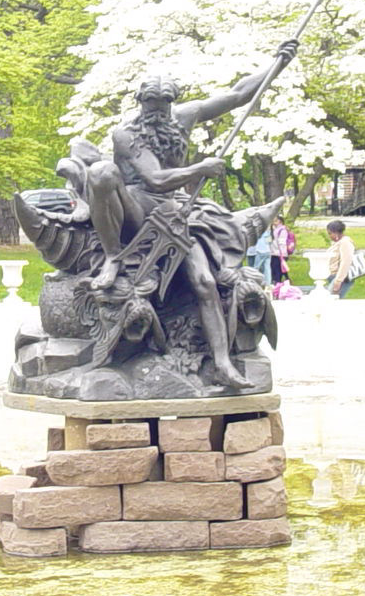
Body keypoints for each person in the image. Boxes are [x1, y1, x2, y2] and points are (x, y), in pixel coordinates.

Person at [81, 40, 298, 388]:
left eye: (165, 103)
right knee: (102, 173)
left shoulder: (184, 117)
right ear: (139, 102)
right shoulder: (126, 134)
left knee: (205, 282)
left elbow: (238, 94)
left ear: (173, 102)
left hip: (179, 210)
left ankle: (223, 363)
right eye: (151, 102)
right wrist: (201, 169)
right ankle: (111, 257)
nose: (159, 109)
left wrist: (277, 64)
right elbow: (154, 178)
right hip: (138, 205)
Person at [326, 219, 357, 298]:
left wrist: (338, 281)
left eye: (330, 233)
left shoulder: (345, 243)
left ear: (336, 232)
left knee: (330, 300)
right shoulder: (338, 242)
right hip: (335, 276)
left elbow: (346, 262)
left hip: (341, 277)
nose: (329, 236)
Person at [270, 215, 295, 284]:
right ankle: (282, 281)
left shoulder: (282, 230)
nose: (274, 222)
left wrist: (273, 244)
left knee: (278, 270)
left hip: (279, 253)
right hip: (274, 253)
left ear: (280, 221)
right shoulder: (275, 229)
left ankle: (278, 283)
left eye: (276, 221)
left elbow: (282, 243)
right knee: (275, 269)